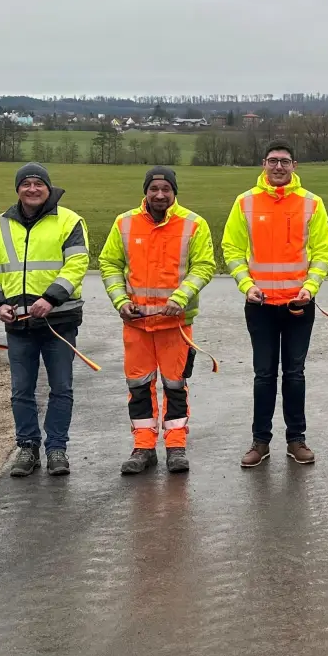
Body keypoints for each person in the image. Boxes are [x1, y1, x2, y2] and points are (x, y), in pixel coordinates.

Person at [0, 162, 89, 477]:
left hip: (58, 322)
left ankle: (57, 449)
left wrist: (50, 299)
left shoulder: (69, 221)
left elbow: (77, 263)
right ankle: (27, 447)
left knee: (61, 388)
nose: (32, 189)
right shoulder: (0, 225)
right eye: (26, 184)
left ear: (48, 188)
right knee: (21, 390)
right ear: (18, 189)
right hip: (18, 324)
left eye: (39, 183)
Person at [223, 141, 328, 467]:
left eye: (285, 161)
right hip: (260, 305)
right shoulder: (245, 202)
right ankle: (260, 441)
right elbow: (231, 249)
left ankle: (296, 439)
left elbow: (322, 251)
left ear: (294, 165)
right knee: (264, 374)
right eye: (273, 161)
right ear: (264, 164)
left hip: (298, 305)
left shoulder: (312, 203)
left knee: (295, 374)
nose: (278, 167)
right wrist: (246, 285)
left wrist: (310, 287)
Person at [99, 166, 217, 475]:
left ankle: (176, 447)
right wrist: (120, 301)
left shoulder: (194, 224)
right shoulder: (124, 223)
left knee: (175, 386)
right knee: (139, 387)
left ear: (174, 191)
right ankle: (143, 447)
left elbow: (204, 265)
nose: (160, 194)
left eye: (166, 188)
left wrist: (180, 298)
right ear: (146, 191)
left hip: (175, 325)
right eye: (154, 189)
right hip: (137, 325)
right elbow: (110, 263)